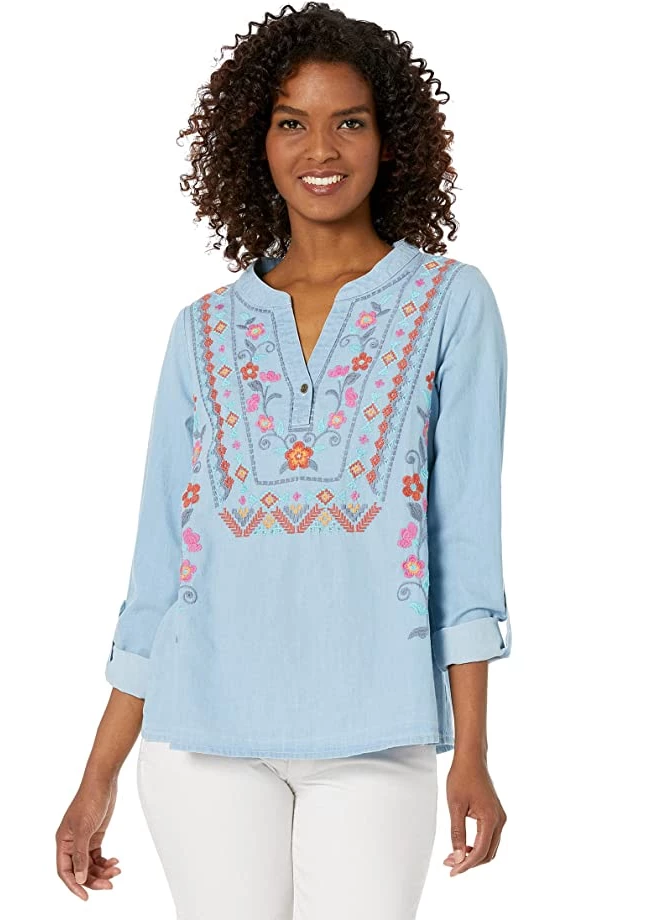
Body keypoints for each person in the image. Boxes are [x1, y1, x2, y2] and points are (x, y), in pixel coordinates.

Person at [55, 3, 511, 917]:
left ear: (391, 139)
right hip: (199, 745)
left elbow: (464, 543)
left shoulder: (450, 305)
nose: (321, 149)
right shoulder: (201, 331)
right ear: (255, 143)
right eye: (292, 123)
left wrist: (474, 752)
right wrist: (96, 775)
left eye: (351, 121)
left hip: (376, 736)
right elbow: (159, 573)